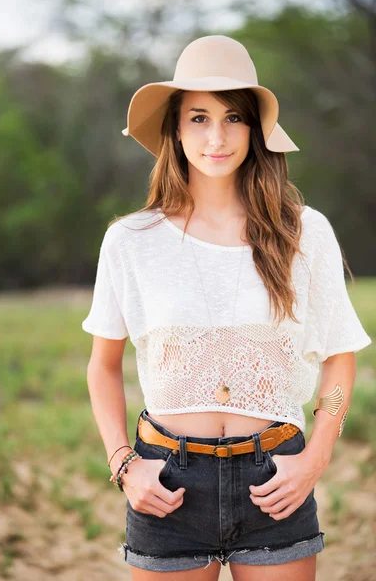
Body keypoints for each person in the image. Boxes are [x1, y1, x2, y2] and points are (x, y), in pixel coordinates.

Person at [81, 35, 372, 580]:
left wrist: (317, 457)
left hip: (274, 482)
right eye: (198, 117)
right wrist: (124, 464)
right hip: (167, 483)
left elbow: (339, 356)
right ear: (174, 127)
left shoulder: (306, 233)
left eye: (233, 117)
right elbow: (102, 365)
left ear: (255, 129)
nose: (216, 137)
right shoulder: (131, 240)